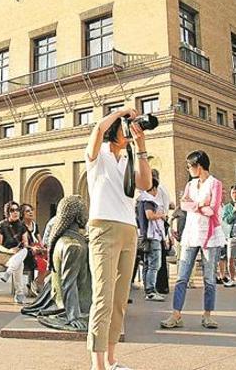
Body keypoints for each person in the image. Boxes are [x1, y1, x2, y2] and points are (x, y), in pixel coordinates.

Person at [85, 107, 152, 370]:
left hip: (128, 229)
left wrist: (141, 144)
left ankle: (112, 360)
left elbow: (145, 184)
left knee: (119, 299)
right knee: (103, 296)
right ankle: (97, 364)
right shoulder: (97, 156)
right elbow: (98, 129)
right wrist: (121, 111)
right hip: (103, 228)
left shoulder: (128, 159)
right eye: (127, 125)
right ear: (116, 128)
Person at [161, 150, 225, 330]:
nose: (188, 169)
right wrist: (200, 205)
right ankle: (176, 315)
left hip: (209, 236)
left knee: (209, 279)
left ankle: (207, 315)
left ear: (199, 166)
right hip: (190, 234)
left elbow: (213, 210)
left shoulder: (215, 184)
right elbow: (183, 204)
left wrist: (195, 206)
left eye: (189, 166)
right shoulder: (190, 185)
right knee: (182, 277)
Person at [136, 175, 166, 301]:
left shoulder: (139, 201)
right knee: (154, 265)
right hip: (152, 236)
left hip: (143, 235)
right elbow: (150, 215)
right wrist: (161, 215)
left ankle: (148, 289)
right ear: (153, 188)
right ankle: (151, 291)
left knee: (147, 264)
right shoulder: (149, 201)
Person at [0, 201, 29, 303]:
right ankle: (19, 293)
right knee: (19, 264)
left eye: (17, 210)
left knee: (24, 251)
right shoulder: (2, 225)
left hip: (16, 255)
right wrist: (9, 251)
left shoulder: (22, 226)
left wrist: (20, 247)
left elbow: (25, 243)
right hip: (3, 254)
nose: (15, 212)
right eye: (12, 210)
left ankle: (8, 272)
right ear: (7, 212)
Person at [20, 203, 48, 294]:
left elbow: (40, 240)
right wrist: (33, 247)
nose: (31, 212)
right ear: (22, 214)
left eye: (31, 210)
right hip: (27, 252)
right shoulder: (20, 226)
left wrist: (43, 248)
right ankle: (38, 284)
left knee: (53, 260)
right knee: (44, 263)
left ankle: (37, 282)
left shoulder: (35, 225)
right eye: (28, 211)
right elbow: (23, 244)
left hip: (37, 250)